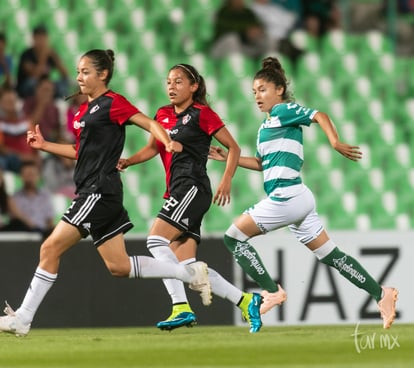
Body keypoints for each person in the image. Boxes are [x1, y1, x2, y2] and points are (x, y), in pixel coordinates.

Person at [0, 49, 211, 337]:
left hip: (97, 191)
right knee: (119, 266)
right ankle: (189, 273)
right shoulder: (84, 111)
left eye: (86, 72)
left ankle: (23, 318)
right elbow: (79, 151)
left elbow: (149, 123)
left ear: (103, 74)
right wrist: (45, 145)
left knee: (49, 248)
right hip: (101, 192)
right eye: (77, 71)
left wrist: (167, 141)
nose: (79, 77)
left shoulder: (114, 103)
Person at [209, 56, 398, 329]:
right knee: (330, 255)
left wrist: (335, 141)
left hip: (286, 197)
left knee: (233, 238)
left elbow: (319, 115)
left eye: (263, 89)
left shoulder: (284, 111)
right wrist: (228, 157)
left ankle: (272, 291)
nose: (257, 96)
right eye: (254, 92)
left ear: (279, 90)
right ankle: (381, 294)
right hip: (297, 198)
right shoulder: (266, 126)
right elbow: (262, 164)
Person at [118, 63, 262, 333]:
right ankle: (245, 300)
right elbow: (152, 148)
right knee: (186, 264)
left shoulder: (202, 114)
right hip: (179, 190)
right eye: (169, 82)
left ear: (194, 86)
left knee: (155, 240)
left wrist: (227, 178)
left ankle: (180, 306)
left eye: (179, 82)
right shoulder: (161, 114)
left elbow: (233, 147)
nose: (171, 86)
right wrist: (129, 161)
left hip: (192, 187)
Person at [16, 24, 69, 99]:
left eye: (43, 37)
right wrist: (43, 56)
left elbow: (65, 75)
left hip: (45, 85)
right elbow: (34, 76)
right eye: (38, 37)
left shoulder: (50, 53)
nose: (41, 41)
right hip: (27, 87)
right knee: (32, 83)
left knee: (65, 83)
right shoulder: (26, 54)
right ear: (33, 38)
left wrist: (54, 56)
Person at [7, 160, 55, 238]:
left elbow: (49, 220)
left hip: (43, 234)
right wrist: (33, 227)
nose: (30, 178)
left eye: (32, 174)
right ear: (21, 176)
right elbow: (16, 218)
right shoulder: (14, 198)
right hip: (22, 233)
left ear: (38, 176)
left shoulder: (45, 196)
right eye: (27, 175)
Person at [0, 86, 38, 172]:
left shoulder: (27, 121)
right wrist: (22, 157)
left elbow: (36, 143)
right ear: (1, 103)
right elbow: (1, 148)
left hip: (30, 160)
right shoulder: (1, 123)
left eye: (13, 101)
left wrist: (35, 157)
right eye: (7, 102)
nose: (11, 104)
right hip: (13, 162)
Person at [23, 74, 62, 142]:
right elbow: (28, 125)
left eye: (50, 91)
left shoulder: (54, 108)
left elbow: (57, 131)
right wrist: (41, 105)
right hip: (33, 140)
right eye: (45, 90)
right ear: (37, 89)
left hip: (50, 141)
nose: (47, 93)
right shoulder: (28, 103)